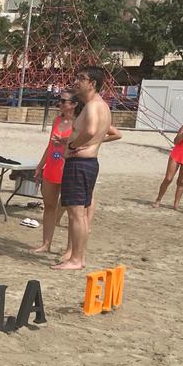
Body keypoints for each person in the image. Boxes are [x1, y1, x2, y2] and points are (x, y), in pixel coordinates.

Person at [53, 66, 112, 271]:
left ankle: (76, 259)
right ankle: (80, 257)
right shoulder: (100, 105)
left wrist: (72, 145)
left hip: (80, 163)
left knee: (76, 214)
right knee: (81, 213)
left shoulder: (93, 106)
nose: (76, 82)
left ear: (92, 83)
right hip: (88, 163)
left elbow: (90, 130)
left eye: (81, 78)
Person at [30, 93, 76, 254]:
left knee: (72, 210)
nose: (60, 103)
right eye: (59, 100)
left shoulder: (79, 122)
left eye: (64, 101)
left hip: (68, 167)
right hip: (52, 165)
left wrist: (66, 142)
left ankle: (70, 249)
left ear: (75, 104)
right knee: (49, 206)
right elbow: (50, 146)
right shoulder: (58, 120)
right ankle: (46, 243)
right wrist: (40, 166)